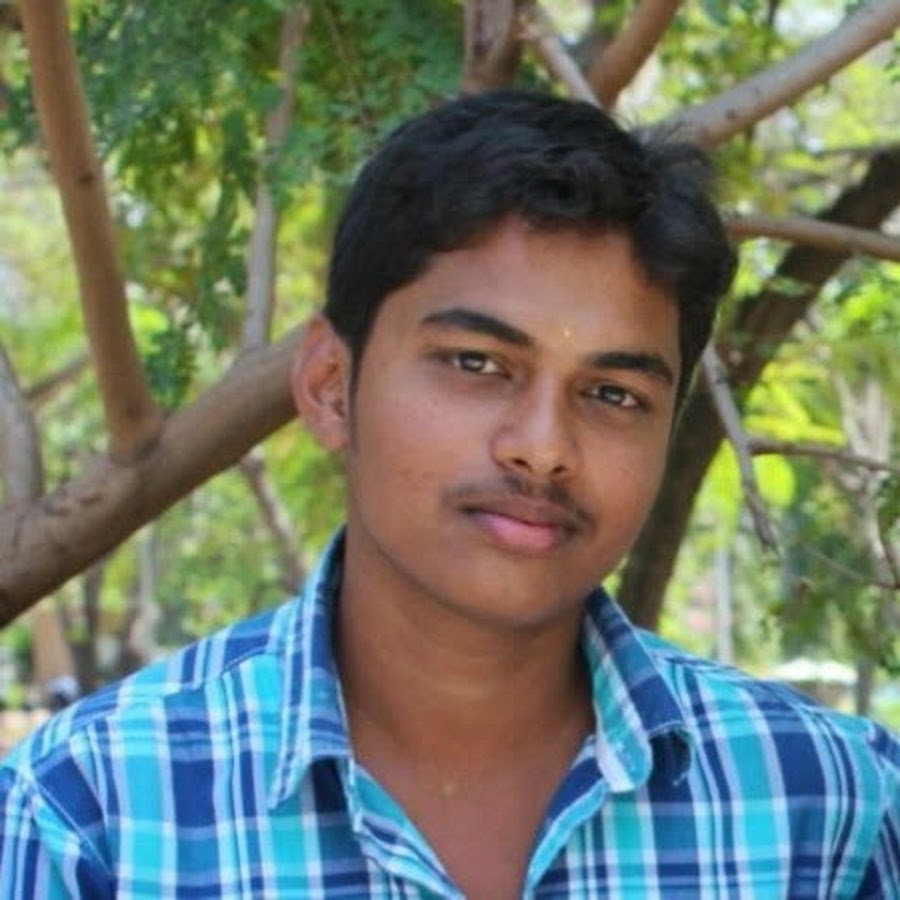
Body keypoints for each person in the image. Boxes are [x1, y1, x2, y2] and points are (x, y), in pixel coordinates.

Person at [0, 90, 897, 899]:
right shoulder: (95, 817)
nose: (543, 448)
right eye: (476, 363)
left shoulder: (828, 812)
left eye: (613, 394)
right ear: (329, 386)